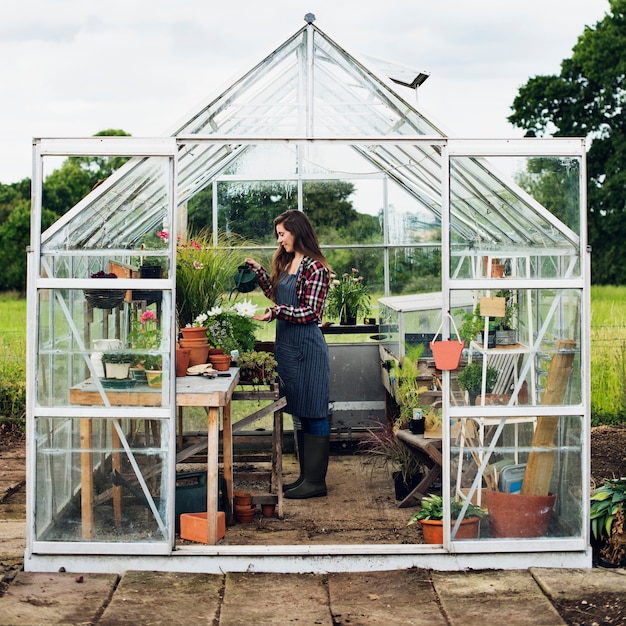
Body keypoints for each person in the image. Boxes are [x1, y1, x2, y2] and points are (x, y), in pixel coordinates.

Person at [245, 210, 331, 499]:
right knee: (300, 410)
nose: (280, 240)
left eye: (283, 233)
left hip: (308, 348)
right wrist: (259, 271)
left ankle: (316, 482)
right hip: (288, 348)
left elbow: (310, 311)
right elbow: (276, 295)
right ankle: (305, 477)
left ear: (298, 231)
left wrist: (275, 313)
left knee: (315, 411)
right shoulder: (288, 262)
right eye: (278, 235)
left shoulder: (314, 268)